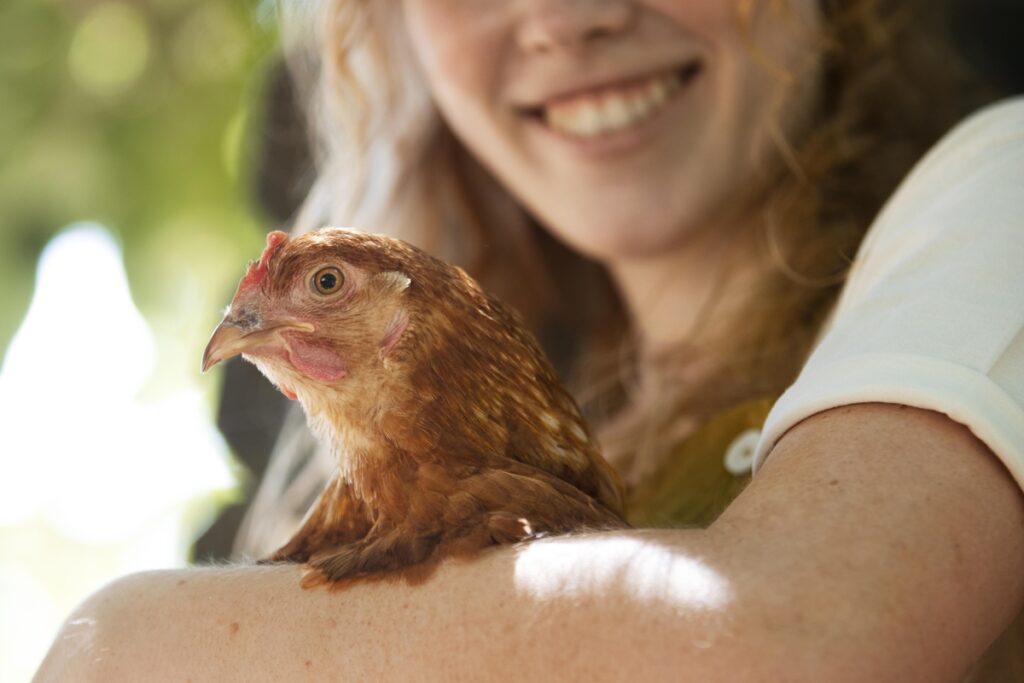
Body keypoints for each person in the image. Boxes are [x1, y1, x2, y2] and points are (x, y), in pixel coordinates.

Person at [36, 0, 1024, 680]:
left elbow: (799, 640)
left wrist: (115, 639)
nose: (565, 18)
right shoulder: (447, 472)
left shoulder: (1004, 188)